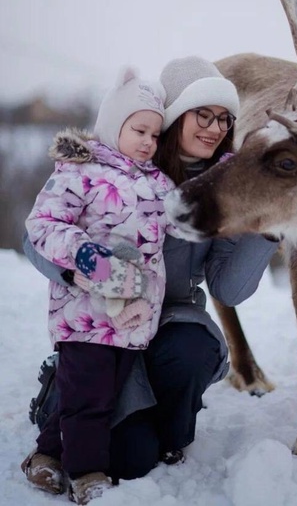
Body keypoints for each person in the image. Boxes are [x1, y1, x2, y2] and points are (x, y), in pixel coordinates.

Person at [22, 56, 280, 500]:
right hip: (102, 317)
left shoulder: (220, 186)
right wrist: (88, 271)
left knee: (187, 357)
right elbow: (37, 236)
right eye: (204, 114)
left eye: (224, 118)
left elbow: (229, 289)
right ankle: (59, 407)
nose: (215, 127)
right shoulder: (118, 162)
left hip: (165, 321)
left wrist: (265, 221)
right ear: (174, 116)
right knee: (110, 429)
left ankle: (163, 430)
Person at [21, 69, 178, 504]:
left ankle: (46, 456)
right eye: (139, 130)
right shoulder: (80, 171)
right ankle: (86, 474)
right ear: (114, 125)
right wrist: (86, 255)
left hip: (130, 318)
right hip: (84, 312)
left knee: (94, 396)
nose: (148, 141)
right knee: (89, 400)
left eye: (155, 134)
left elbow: (185, 213)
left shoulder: (159, 183)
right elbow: (43, 224)